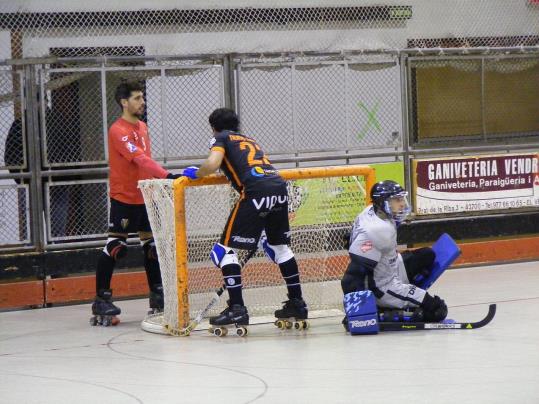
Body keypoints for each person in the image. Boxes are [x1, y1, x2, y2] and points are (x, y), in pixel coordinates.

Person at [181, 108, 308, 331]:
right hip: (278, 188)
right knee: (280, 247)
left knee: (222, 252)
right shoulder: (248, 139)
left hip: (255, 193)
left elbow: (212, 163)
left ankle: (237, 308)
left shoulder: (220, 137)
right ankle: (297, 303)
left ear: (213, 127)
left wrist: (197, 173)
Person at [91, 81, 181, 326]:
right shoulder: (117, 130)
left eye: (142, 97)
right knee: (115, 246)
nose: (142, 102)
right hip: (124, 197)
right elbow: (139, 158)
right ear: (124, 102)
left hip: (146, 196)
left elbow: (146, 161)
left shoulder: (143, 127)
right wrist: (167, 176)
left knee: (152, 247)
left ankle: (158, 295)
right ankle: (102, 299)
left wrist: (157, 185)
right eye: (137, 98)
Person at [341, 180, 448, 327]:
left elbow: (353, 243)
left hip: (390, 265)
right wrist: (357, 311)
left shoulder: (371, 211)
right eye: (397, 200)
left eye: (401, 199)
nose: (403, 204)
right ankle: (385, 311)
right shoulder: (378, 230)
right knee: (438, 310)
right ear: (384, 203)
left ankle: (403, 298)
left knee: (427, 255)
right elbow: (351, 278)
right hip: (383, 286)